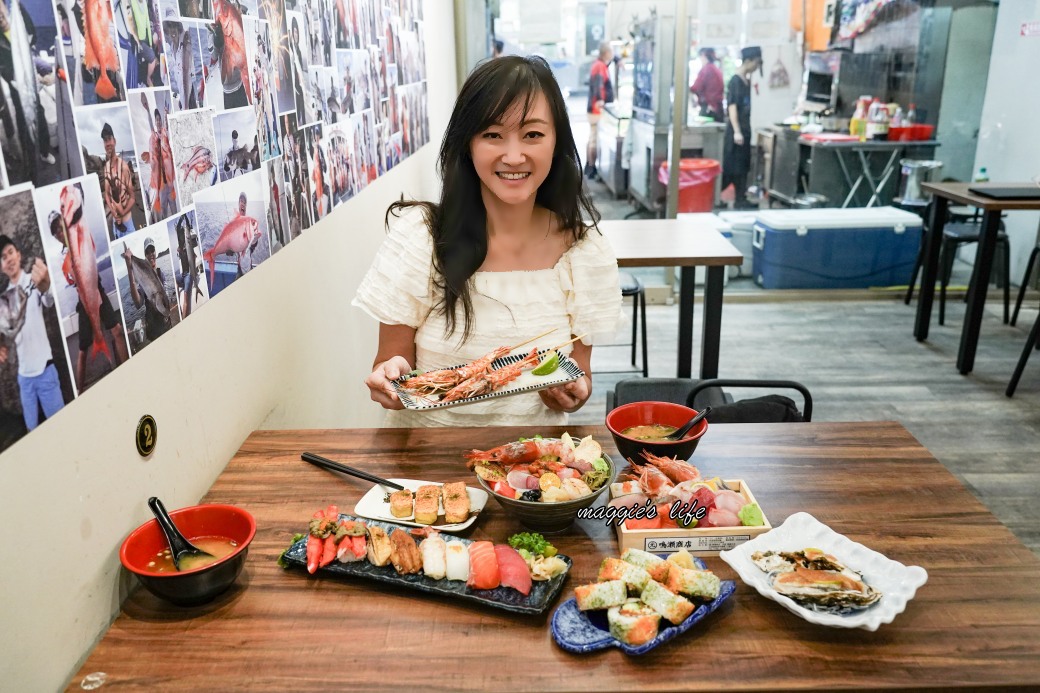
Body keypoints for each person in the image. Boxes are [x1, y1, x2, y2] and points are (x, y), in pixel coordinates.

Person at [354, 55, 622, 427]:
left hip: (537, 472)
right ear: (468, 144)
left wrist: (572, 391)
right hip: (431, 468)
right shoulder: (422, 237)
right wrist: (392, 376)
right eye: (493, 135)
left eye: (533, 134)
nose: (514, 156)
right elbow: (390, 366)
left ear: (556, 140)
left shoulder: (582, 251)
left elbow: (580, 379)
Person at [0, 234, 65, 431]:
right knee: (32, 431)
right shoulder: (3, 300)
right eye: (3, 257)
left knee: (62, 427)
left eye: (10, 252)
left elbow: (49, 300)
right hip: (24, 377)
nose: (9, 259)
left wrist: (46, 287)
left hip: (45, 371)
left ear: (18, 254)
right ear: (1, 266)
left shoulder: (35, 279)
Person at [722, 46, 762, 210]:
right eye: (756, 63)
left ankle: (741, 198)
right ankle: (721, 198)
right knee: (733, 167)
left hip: (745, 130)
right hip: (735, 133)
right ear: (748, 61)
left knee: (743, 166)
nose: (757, 67)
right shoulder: (735, 81)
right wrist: (737, 131)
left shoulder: (747, 81)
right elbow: (732, 108)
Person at [121, 237, 171, 341]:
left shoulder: (161, 274)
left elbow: (166, 297)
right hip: (154, 331)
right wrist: (130, 269)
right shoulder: (143, 279)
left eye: (152, 250)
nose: (151, 254)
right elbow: (138, 303)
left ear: (155, 252)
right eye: (147, 252)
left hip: (167, 326)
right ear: (145, 255)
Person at [100, 122, 136, 238]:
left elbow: (132, 197)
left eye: (109, 139)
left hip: (127, 224)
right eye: (105, 141)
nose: (108, 143)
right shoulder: (106, 167)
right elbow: (107, 195)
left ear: (114, 141)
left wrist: (122, 213)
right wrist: (114, 213)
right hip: (116, 226)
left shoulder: (124, 167)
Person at [585, 41, 614, 180]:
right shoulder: (600, 66)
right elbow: (598, 84)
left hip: (594, 107)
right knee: (594, 139)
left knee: (592, 137)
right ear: (606, 53)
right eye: (611, 51)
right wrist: (599, 100)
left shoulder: (599, 65)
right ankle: (591, 168)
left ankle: (589, 166)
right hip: (596, 108)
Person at [126, 0, 158, 87]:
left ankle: (148, 75)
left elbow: (147, 22)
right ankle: (148, 78)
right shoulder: (132, 2)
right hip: (137, 39)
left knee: (153, 51)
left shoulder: (144, 2)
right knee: (152, 58)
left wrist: (151, 44)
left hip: (145, 38)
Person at [689, 47, 724, 122]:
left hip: (709, 108)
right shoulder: (716, 69)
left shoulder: (707, 69)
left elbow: (695, 87)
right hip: (717, 107)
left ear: (704, 56)